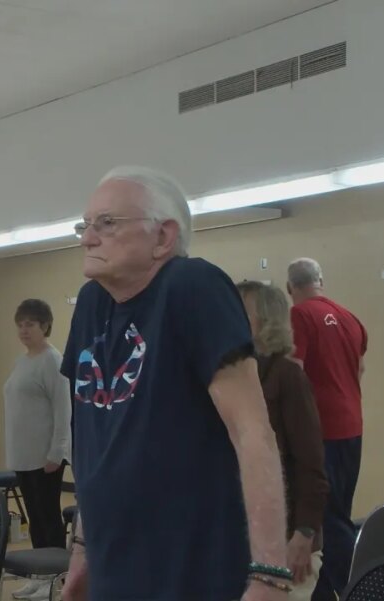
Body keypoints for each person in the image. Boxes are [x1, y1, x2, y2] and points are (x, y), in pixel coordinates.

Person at [61, 166, 290, 601]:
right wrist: (82, 546)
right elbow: (94, 441)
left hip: (189, 571)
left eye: (107, 224)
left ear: (163, 238)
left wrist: (269, 575)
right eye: (85, 225)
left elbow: (253, 432)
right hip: (112, 564)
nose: (89, 237)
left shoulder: (192, 286)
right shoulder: (91, 303)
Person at [238, 282, 329, 601]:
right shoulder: (235, 377)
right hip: (246, 536)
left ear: (266, 321)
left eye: (241, 312)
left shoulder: (287, 376)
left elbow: (311, 463)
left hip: (289, 534)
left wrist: (304, 534)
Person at [285, 258, 367, 601]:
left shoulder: (299, 316)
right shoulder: (350, 318)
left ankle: (354, 590)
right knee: (338, 514)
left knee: (329, 518)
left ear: (290, 289)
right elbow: (359, 369)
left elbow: (295, 373)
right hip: (352, 427)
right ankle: (325, 591)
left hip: (322, 431)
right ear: (321, 281)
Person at [3, 299, 72, 600]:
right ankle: (38, 574)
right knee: (34, 519)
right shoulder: (23, 360)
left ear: (45, 325)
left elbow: (63, 410)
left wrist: (56, 452)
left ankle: (55, 579)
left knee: (48, 517)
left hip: (45, 457)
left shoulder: (52, 360)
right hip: (23, 454)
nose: (23, 330)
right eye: (20, 324)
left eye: (30, 324)